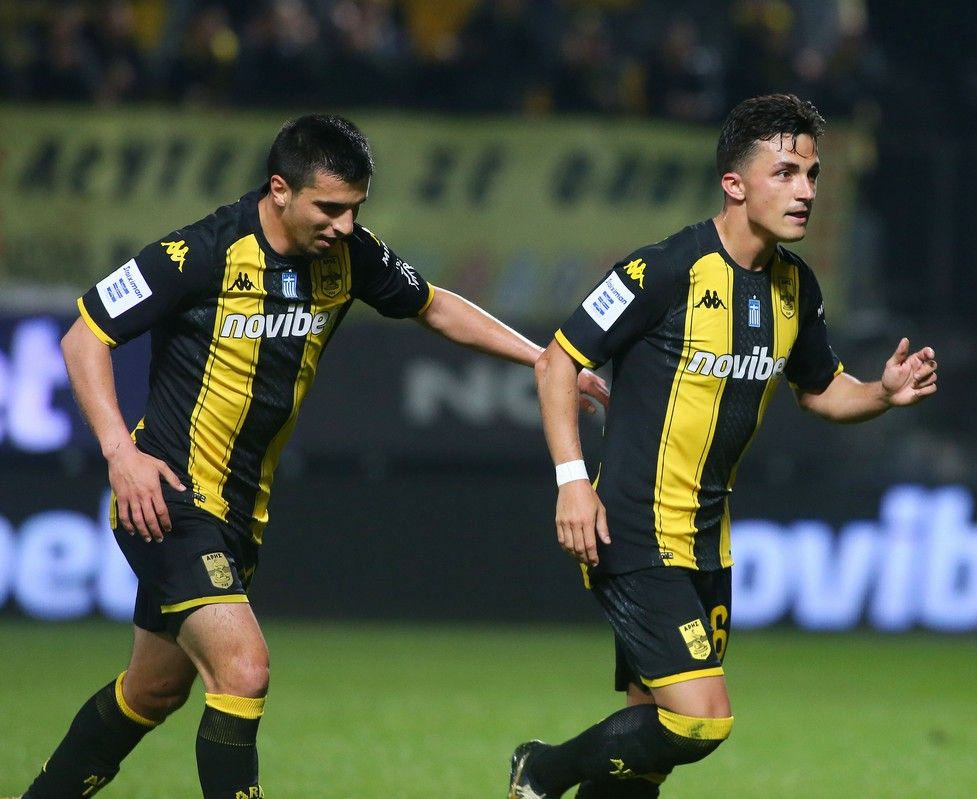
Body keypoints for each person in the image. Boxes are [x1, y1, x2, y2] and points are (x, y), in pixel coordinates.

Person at [8, 113, 607, 799]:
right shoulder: (200, 253)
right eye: (329, 208)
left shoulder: (348, 255)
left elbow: (433, 305)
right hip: (168, 496)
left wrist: (545, 359)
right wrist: (121, 453)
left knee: (152, 691)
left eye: (355, 209)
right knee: (243, 670)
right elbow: (84, 335)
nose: (344, 225)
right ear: (279, 190)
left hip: (239, 512)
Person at [509, 93, 938, 799]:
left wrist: (882, 393)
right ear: (734, 184)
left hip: (710, 543)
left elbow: (820, 389)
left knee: (648, 739)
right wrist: (572, 481)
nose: (805, 191)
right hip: (634, 529)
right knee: (701, 720)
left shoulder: (796, 286)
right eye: (786, 173)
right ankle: (542, 770)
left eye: (812, 174)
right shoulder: (664, 270)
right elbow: (557, 361)